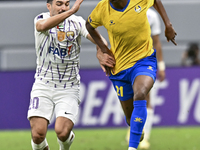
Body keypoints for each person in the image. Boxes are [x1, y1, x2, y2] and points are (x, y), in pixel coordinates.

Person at [86, 0, 177, 150]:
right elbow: (89, 25)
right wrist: (103, 48)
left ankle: (132, 147)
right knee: (130, 118)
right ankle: (136, 128)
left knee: (141, 93)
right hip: (120, 68)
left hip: (144, 60)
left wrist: (168, 24)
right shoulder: (103, 8)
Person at [27, 0, 109, 150]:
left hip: (68, 87)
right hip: (43, 84)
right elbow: (42, 27)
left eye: (66, 4)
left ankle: (65, 144)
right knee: (38, 135)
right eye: (59, 4)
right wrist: (70, 12)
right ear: (49, 6)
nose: (63, 7)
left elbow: (101, 40)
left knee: (62, 132)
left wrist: (100, 49)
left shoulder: (77, 23)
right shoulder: (40, 18)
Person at [125, 7, 166, 150]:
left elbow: (157, 42)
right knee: (128, 100)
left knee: (144, 96)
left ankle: (144, 138)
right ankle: (135, 128)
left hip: (144, 62)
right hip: (125, 62)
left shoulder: (152, 15)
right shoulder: (122, 10)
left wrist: (161, 66)